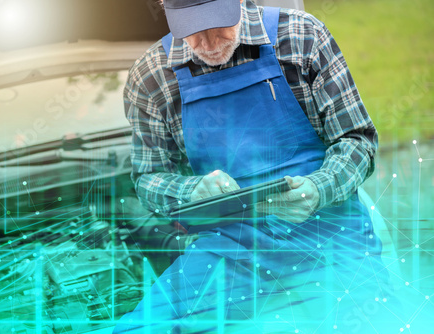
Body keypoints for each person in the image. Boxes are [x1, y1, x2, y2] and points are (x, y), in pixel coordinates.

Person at [113, 0, 402, 332]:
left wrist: (318, 188)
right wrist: (190, 190)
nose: (208, 43)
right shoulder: (151, 77)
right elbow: (148, 178)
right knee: (143, 327)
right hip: (231, 247)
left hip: (331, 235)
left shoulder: (302, 37)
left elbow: (357, 140)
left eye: (217, 24)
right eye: (192, 30)